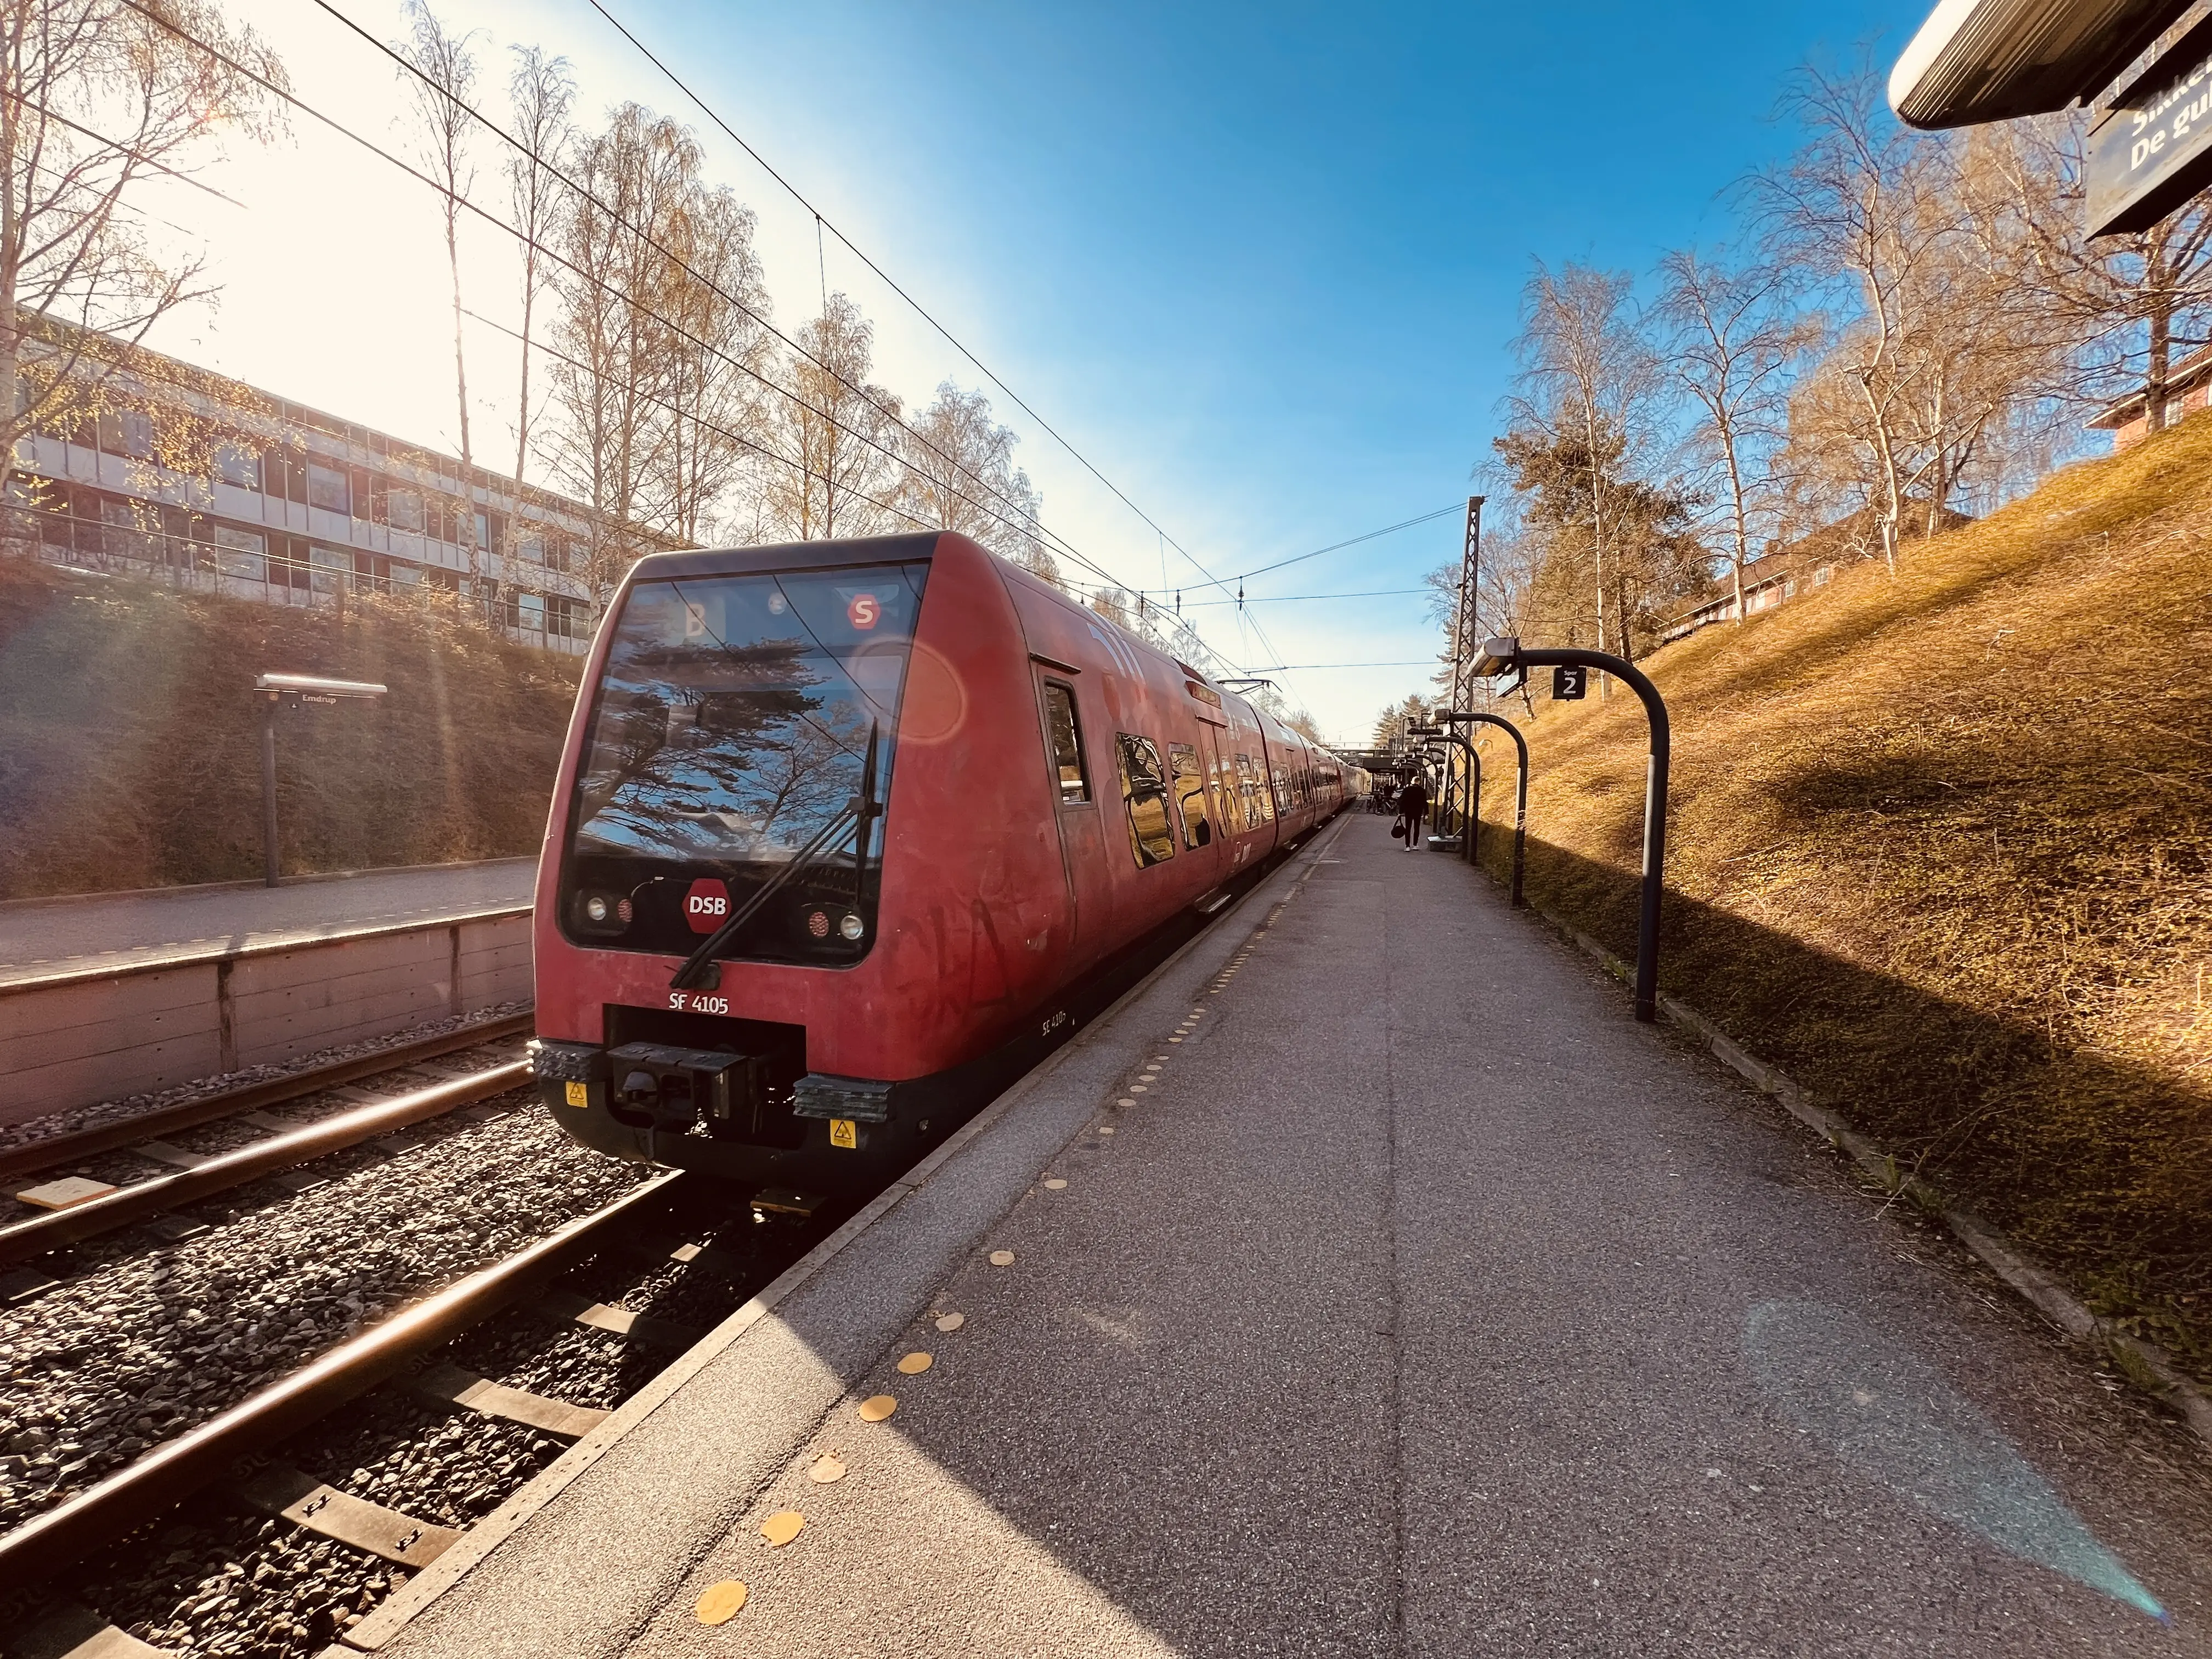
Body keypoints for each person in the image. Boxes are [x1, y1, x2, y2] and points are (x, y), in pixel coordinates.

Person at [1394, 775, 1429, 850]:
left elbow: (1403, 801)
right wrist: (1426, 813)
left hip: (1408, 811)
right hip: (1418, 811)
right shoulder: (1422, 790)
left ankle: (1407, 846)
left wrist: (1400, 812)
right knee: (1417, 828)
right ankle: (1415, 845)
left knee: (1408, 828)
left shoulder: (1407, 789)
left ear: (1412, 781)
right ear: (1419, 782)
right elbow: (1424, 802)